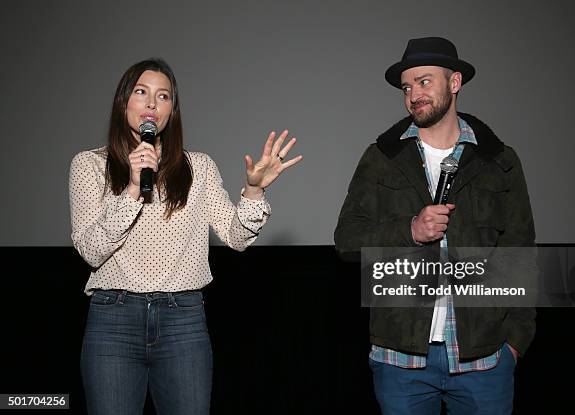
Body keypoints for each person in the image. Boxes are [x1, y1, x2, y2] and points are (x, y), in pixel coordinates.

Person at [69, 58, 302, 415]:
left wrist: (254, 192)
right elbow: (91, 251)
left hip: (183, 322)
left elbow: (236, 237)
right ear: (123, 102)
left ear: (170, 111)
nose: (151, 104)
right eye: (141, 92)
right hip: (113, 321)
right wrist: (133, 188)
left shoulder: (199, 167)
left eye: (163, 96)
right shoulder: (88, 165)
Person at [334, 37, 536, 414]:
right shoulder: (382, 158)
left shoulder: (499, 160)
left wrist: (515, 341)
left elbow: (520, 251)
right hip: (400, 360)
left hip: (484, 359)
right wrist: (409, 229)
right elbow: (346, 240)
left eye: (424, 82)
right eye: (407, 87)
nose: (414, 95)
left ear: (455, 83)